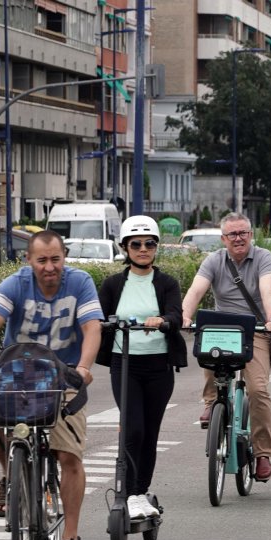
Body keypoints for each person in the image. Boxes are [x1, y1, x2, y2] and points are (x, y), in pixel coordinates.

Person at [0, 229, 102, 540]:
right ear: (29, 261)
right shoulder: (15, 284)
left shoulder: (80, 283)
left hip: (63, 376)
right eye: (42, 260)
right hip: (17, 374)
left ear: (64, 258)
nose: (49, 267)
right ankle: (10, 473)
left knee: (69, 455)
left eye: (55, 259)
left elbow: (93, 328)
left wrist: (83, 368)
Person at [96, 215, 187, 520]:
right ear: (125, 248)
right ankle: (128, 491)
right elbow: (98, 318)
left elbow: (177, 315)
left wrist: (162, 321)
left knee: (149, 433)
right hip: (125, 365)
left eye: (150, 243)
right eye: (136, 244)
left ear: (156, 247)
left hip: (158, 366)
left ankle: (140, 492)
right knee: (132, 428)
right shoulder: (112, 284)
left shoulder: (167, 283)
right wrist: (106, 324)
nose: (143, 249)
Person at [180, 212, 271, 482]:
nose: (238, 239)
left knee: (258, 389)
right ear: (223, 239)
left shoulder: (263, 258)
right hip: (223, 327)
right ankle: (211, 401)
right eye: (232, 235)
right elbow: (195, 291)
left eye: (243, 233)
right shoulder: (214, 260)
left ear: (251, 235)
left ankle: (262, 454)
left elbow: (267, 291)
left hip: (255, 328)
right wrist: (185, 316)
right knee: (207, 341)